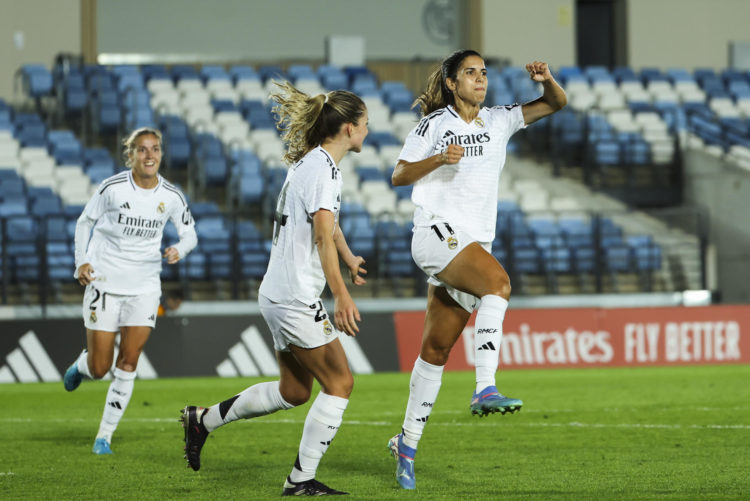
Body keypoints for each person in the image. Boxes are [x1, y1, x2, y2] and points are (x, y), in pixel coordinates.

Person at [387, 50, 567, 489]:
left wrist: (547, 80)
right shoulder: (432, 126)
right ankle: (485, 386)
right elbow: (399, 174)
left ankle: (405, 446)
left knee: (435, 352)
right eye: (470, 73)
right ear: (451, 82)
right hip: (435, 234)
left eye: (484, 73)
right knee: (499, 283)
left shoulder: (499, 120)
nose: (480, 79)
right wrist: (438, 160)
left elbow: (556, 103)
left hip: (469, 247)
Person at [180, 82, 368, 497]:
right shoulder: (325, 171)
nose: (368, 131)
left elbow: (327, 225)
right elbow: (321, 235)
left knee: (295, 391)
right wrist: (340, 293)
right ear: (350, 129)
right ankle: (300, 481)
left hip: (278, 293)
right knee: (340, 384)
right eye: (365, 123)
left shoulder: (310, 163)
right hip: (296, 298)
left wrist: (349, 256)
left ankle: (203, 420)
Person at [62, 127, 197, 455]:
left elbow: (190, 234)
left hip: (145, 287)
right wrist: (82, 262)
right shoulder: (112, 188)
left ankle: (104, 436)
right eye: (142, 149)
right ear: (131, 155)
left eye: (154, 149)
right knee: (99, 367)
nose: (149, 155)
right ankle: (82, 366)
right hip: (105, 282)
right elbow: (85, 222)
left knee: (129, 359)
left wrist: (180, 249)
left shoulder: (172, 196)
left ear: (161, 154)